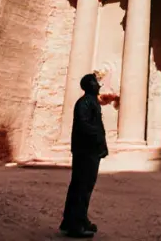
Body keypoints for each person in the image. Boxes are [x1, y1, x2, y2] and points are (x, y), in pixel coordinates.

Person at [60, 73, 108, 238]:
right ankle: (75, 226)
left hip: (89, 150)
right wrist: (98, 141)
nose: (99, 85)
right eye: (96, 83)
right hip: (86, 151)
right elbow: (86, 126)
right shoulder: (85, 102)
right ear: (89, 85)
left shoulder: (90, 102)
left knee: (82, 186)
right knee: (82, 186)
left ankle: (75, 220)